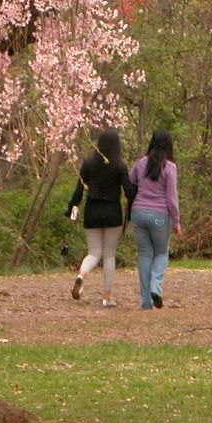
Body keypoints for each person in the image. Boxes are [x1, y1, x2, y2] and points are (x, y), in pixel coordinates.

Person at [67, 128, 136, 307]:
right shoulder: (119, 165)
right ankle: (106, 297)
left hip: (92, 212)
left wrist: (71, 209)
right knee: (109, 255)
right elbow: (129, 192)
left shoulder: (88, 163)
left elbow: (79, 189)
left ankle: (81, 275)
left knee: (93, 252)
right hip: (112, 212)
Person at [129, 130, 182, 309]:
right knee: (161, 253)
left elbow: (131, 183)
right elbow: (171, 198)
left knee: (145, 255)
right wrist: (176, 221)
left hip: (138, 213)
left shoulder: (140, 163)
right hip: (159, 215)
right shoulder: (169, 167)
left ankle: (146, 302)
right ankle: (155, 287)